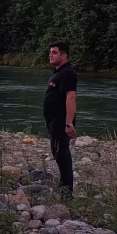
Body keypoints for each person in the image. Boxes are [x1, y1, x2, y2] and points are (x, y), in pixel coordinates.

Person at [45, 41, 78, 199]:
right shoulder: (58, 72)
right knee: (57, 152)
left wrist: (69, 122)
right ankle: (64, 186)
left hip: (61, 121)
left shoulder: (67, 73)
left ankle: (66, 191)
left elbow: (71, 97)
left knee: (61, 153)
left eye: (54, 52)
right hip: (54, 121)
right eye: (50, 52)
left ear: (64, 55)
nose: (50, 55)